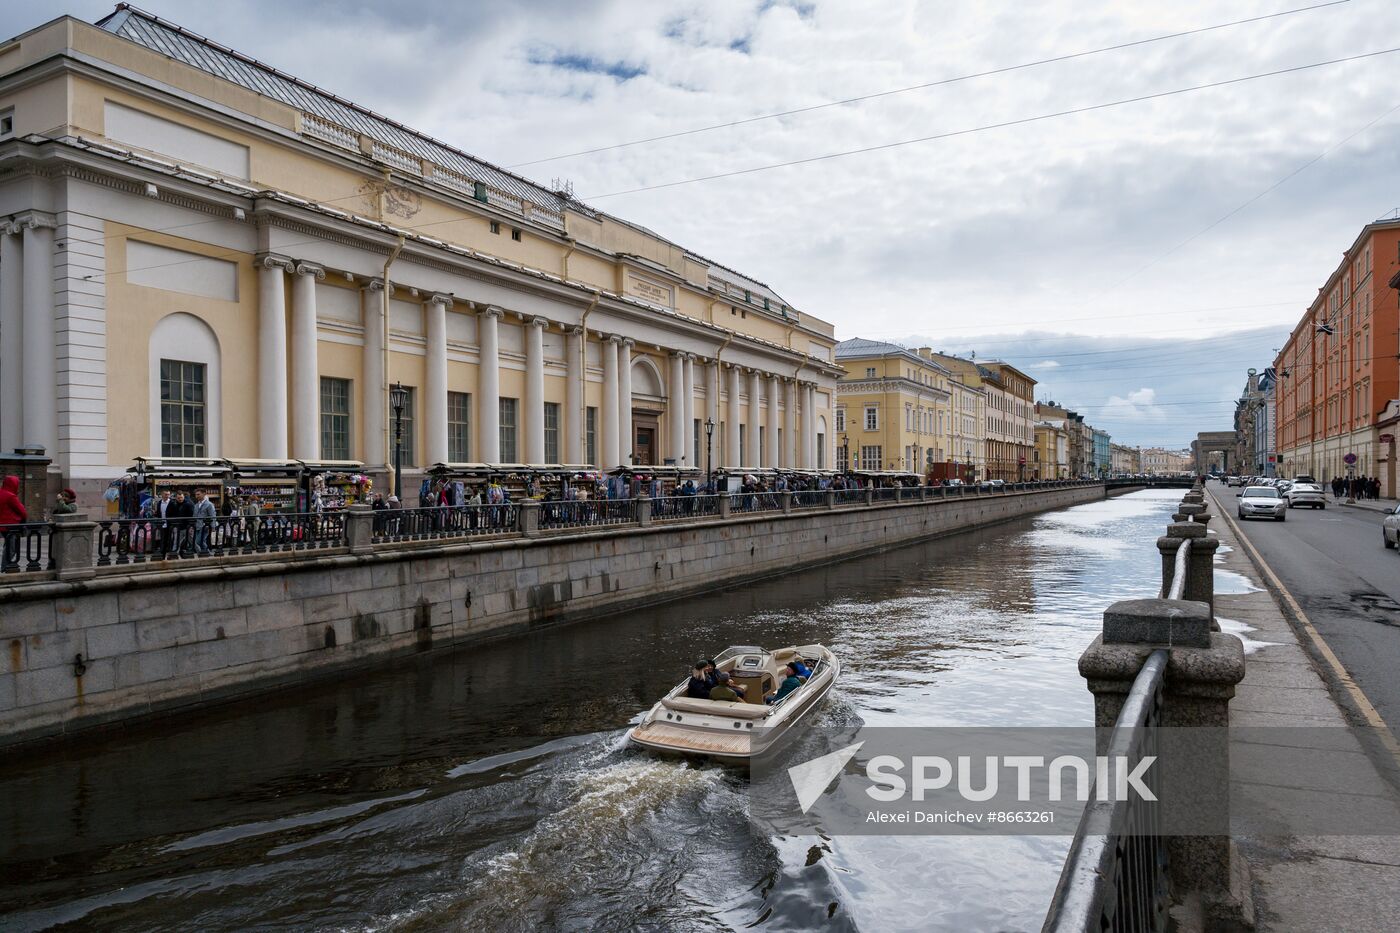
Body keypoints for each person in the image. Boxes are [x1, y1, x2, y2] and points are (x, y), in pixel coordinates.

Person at [0, 475, 27, 568]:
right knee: (11, 549)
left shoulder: (1, 492)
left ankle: (5, 566)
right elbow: (23, 511)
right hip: (11, 526)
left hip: (3, 526)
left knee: (7, 546)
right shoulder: (10, 496)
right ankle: (4, 568)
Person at [192, 488, 217, 555]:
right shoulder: (196, 505)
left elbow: (213, 516)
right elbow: (194, 516)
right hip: (197, 526)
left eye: (198, 494)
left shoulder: (209, 504)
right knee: (200, 541)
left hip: (205, 526)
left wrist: (213, 526)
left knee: (198, 541)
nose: (196, 496)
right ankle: (205, 552)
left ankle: (205, 552)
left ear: (204, 494)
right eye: (196, 495)